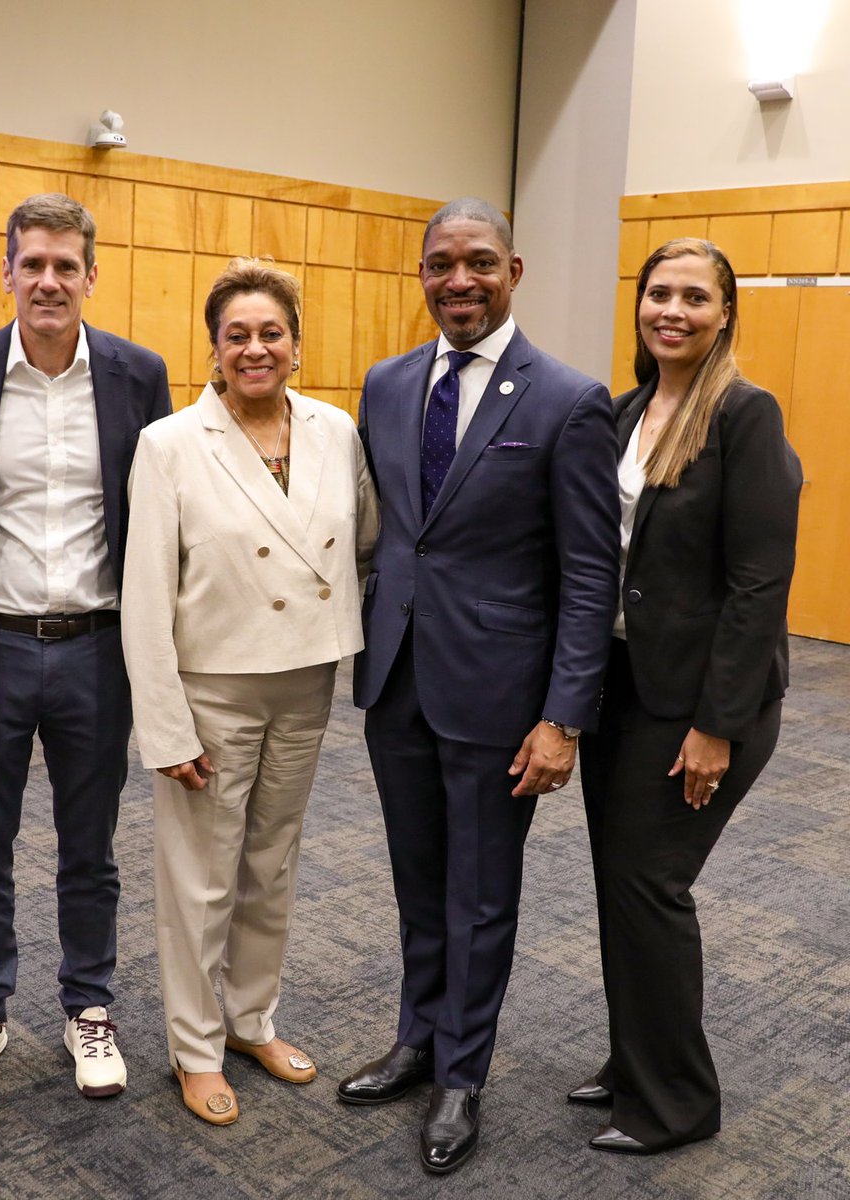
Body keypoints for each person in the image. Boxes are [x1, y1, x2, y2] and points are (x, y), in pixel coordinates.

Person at [337, 198, 621, 1173]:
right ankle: (418, 1039)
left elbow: (591, 573)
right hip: (398, 682)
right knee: (419, 881)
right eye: (442, 264)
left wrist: (563, 718)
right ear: (422, 274)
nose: (460, 280)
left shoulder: (568, 400)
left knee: (481, 893)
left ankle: (463, 1073)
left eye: (481, 264)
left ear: (515, 271)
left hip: (503, 697)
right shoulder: (385, 383)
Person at [0, 194, 171, 1104]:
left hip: (95, 648)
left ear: (92, 276)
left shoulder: (140, 375)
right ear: (7, 271)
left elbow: (155, 514)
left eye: (67, 266)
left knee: (90, 846)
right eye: (33, 264)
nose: (49, 281)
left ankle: (88, 1007)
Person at [120, 258, 379, 1125]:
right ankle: (195, 1048)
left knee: (272, 864)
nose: (256, 347)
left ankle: (250, 1019)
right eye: (239, 335)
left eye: (272, 332)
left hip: (306, 679)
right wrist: (166, 727)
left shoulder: (336, 431)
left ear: (297, 346)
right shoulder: (170, 444)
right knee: (200, 877)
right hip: (212, 690)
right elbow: (146, 597)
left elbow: (363, 540)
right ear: (215, 348)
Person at [569, 238, 802, 1155]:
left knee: (649, 884)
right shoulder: (628, 410)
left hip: (702, 705)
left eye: (694, 297)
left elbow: (758, 584)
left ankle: (676, 1103)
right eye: (658, 293)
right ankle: (637, 1061)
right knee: (620, 887)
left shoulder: (745, 416)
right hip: (622, 690)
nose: (672, 309)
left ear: (725, 312)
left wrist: (716, 726)